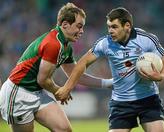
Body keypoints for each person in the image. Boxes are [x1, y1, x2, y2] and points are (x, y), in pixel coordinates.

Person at [56, 7, 164, 132]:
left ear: (127, 26)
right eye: (109, 27)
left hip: (148, 99)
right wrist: (68, 88)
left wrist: (162, 75)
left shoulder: (146, 39)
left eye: (114, 27)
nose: (110, 31)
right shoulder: (105, 43)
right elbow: (82, 63)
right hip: (121, 103)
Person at [0, 3, 113, 132]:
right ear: (65, 24)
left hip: (37, 91)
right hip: (19, 93)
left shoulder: (65, 47)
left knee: (64, 129)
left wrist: (108, 83)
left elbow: (77, 76)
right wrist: (60, 91)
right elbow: (42, 79)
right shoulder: (53, 44)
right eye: (79, 26)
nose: (82, 31)